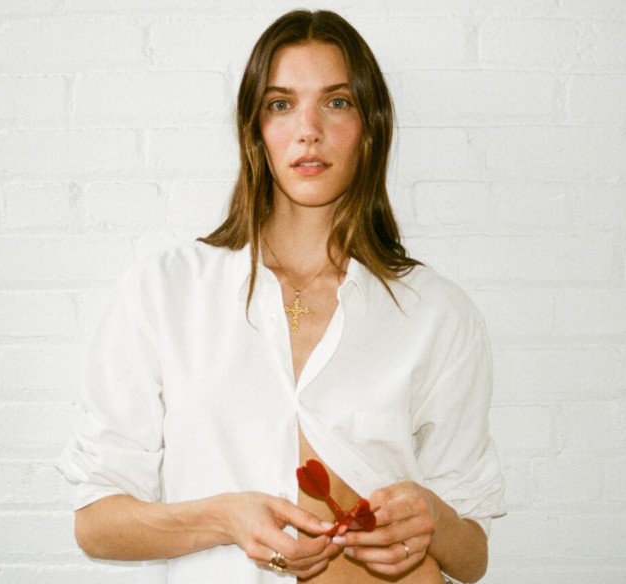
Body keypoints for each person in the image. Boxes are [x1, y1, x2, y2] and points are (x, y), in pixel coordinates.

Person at [57, 9, 504, 584]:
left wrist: (433, 518)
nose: (308, 129)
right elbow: (96, 524)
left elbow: (472, 557)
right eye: (281, 104)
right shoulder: (167, 291)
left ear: (370, 127)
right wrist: (224, 518)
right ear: (255, 129)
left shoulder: (435, 312)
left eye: (337, 102)